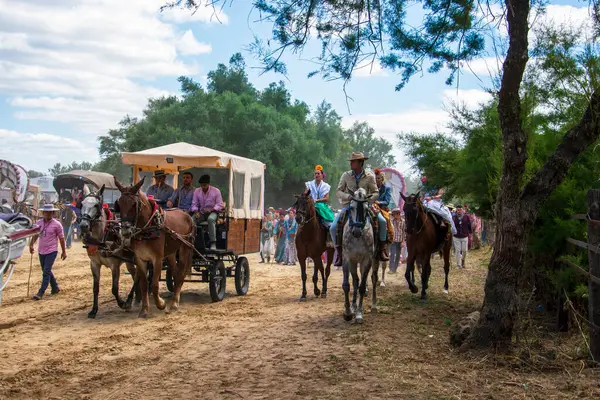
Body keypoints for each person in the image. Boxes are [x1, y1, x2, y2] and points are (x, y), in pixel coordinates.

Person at [330, 151, 379, 267]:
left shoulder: (370, 177)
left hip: (365, 206)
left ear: (360, 162)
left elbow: (376, 192)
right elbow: (338, 191)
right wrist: (348, 197)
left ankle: (380, 250)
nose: (351, 163)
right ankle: (339, 252)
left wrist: (367, 199)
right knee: (333, 227)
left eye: (353, 161)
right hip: (349, 206)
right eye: (351, 161)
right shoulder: (346, 175)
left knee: (381, 222)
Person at [29, 204, 67, 300]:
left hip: (52, 251)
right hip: (41, 251)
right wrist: (31, 244)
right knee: (47, 270)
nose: (48, 214)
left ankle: (40, 293)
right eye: (46, 212)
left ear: (53, 213)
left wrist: (64, 252)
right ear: (43, 213)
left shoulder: (57, 224)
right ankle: (55, 288)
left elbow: (62, 239)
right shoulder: (39, 223)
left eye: (50, 212)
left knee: (46, 271)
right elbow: (36, 235)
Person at [192, 174, 224, 251]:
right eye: (201, 185)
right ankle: (192, 240)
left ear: (209, 184)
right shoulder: (197, 191)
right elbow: (194, 203)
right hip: (202, 213)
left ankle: (213, 242)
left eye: (205, 185)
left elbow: (220, 205)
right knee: (192, 219)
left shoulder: (216, 191)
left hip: (213, 212)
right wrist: (196, 212)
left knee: (210, 219)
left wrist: (211, 209)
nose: (203, 187)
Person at [304, 164, 335, 232]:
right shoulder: (309, 184)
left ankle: (328, 235)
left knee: (329, 222)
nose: (317, 175)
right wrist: (307, 198)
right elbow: (305, 195)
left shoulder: (326, 186)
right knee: (301, 217)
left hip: (321, 206)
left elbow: (326, 198)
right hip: (310, 205)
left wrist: (316, 201)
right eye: (315, 173)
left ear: (322, 175)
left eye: (318, 173)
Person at [373, 168, 393, 260]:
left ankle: (382, 249)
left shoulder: (387, 189)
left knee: (383, 221)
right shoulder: (371, 188)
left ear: (382, 179)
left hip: (381, 209)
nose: (376, 180)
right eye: (375, 178)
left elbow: (387, 201)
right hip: (370, 207)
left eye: (378, 178)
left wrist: (379, 203)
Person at [452, 205, 472, 269]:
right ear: (456, 210)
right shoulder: (454, 217)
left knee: (465, 250)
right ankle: (458, 265)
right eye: (458, 210)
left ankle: (463, 260)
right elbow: (452, 226)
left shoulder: (466, 217)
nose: (459, 211)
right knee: (457, 251)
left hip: (465, 236)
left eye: (460, 209)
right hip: (456, 236)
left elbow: (469, 226)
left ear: (462, 210)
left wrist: (470, 234)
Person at [389, 208, 406, 274]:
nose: (394, 215)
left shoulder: (403, 221)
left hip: (399, 241)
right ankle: (391, 268)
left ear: (398, 214)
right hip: (393, 241)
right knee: (392, 254)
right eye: (393, 214)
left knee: (398, 255)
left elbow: (404, 232)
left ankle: (394, 269)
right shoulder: (392, 221)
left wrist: (403, 241)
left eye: (395, 214)